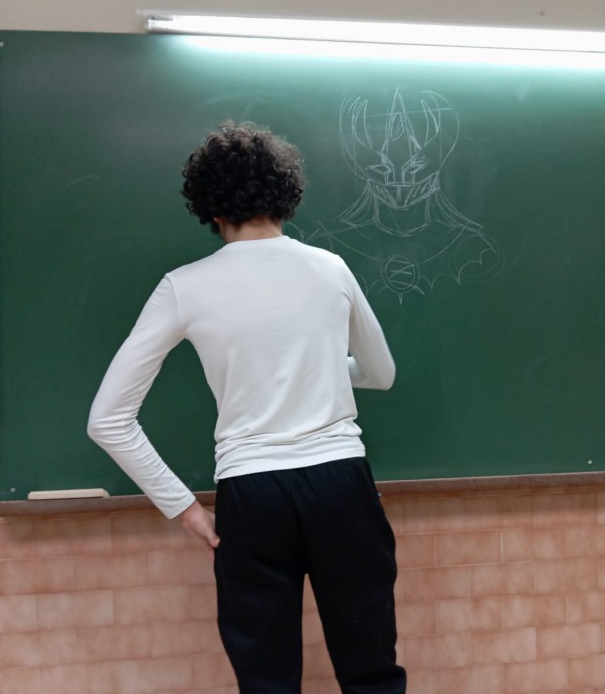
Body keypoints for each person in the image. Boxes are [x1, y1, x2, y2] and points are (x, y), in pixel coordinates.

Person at [87, 122, 406, 694]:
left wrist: (185, 508)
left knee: (267, 681)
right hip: (341, 484)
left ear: (211, 210)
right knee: (372, 673)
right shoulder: (330, 268)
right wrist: (320, 370)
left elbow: (107, 420)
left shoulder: (184, 286)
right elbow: (380, 374)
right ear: (285, 194)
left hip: (251, 494)